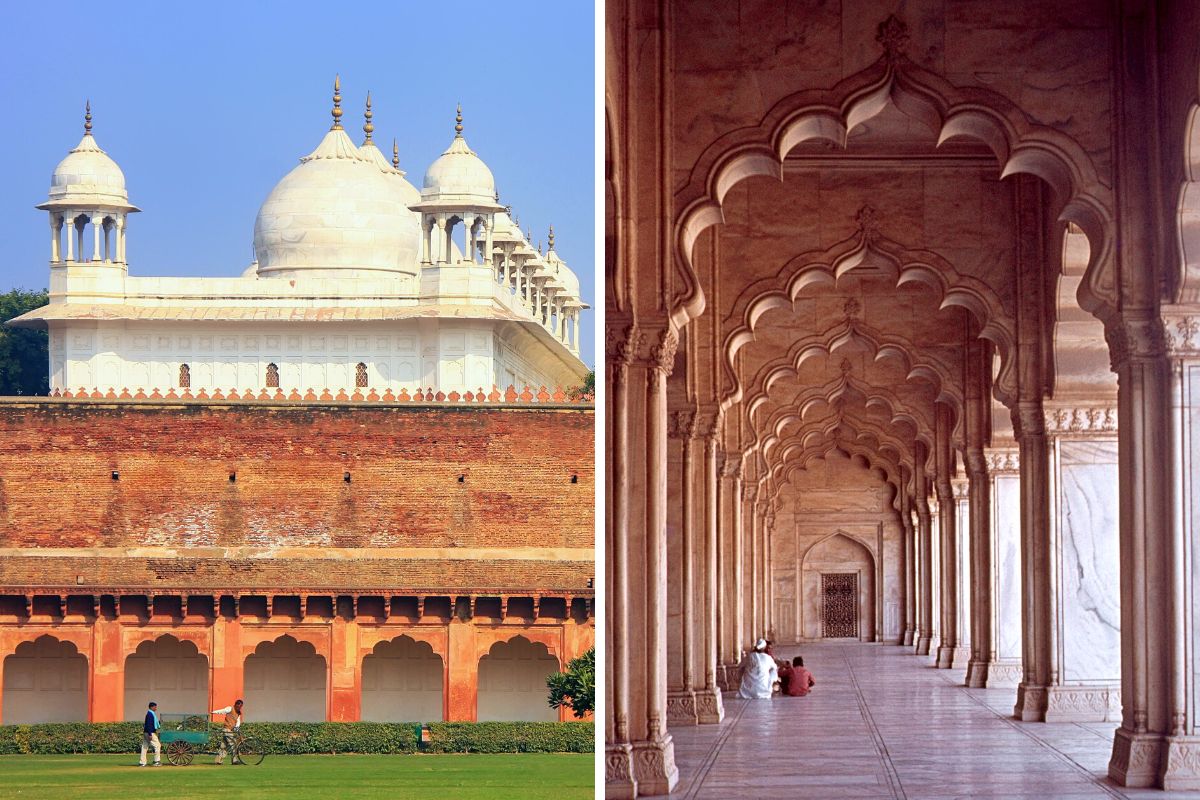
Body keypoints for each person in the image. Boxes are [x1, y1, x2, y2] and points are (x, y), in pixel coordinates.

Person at [212, 699, 245, 765]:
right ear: (236, 705)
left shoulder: (238, 713)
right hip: (226, 729)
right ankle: (234, 760)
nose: (239, 707)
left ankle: (218, 760)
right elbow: (222, 711)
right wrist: (213, 712)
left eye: (241, 706)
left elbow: (237, 722)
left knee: (223, 745)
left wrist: (237, 729)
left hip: (230, 730)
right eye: (238, 706)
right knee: (234, 744)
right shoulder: (230, 708)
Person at [138, 701, 161, 767]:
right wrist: (150, 734)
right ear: (152, 707)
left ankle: (142, 762)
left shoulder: (150, 714)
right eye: (155, 707)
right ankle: (156, 761)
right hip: (150, 732)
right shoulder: (150, 714)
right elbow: (149, 725)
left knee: (144, 747)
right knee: (157, 745)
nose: (156, 708)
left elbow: (149, 724)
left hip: (146, 732)